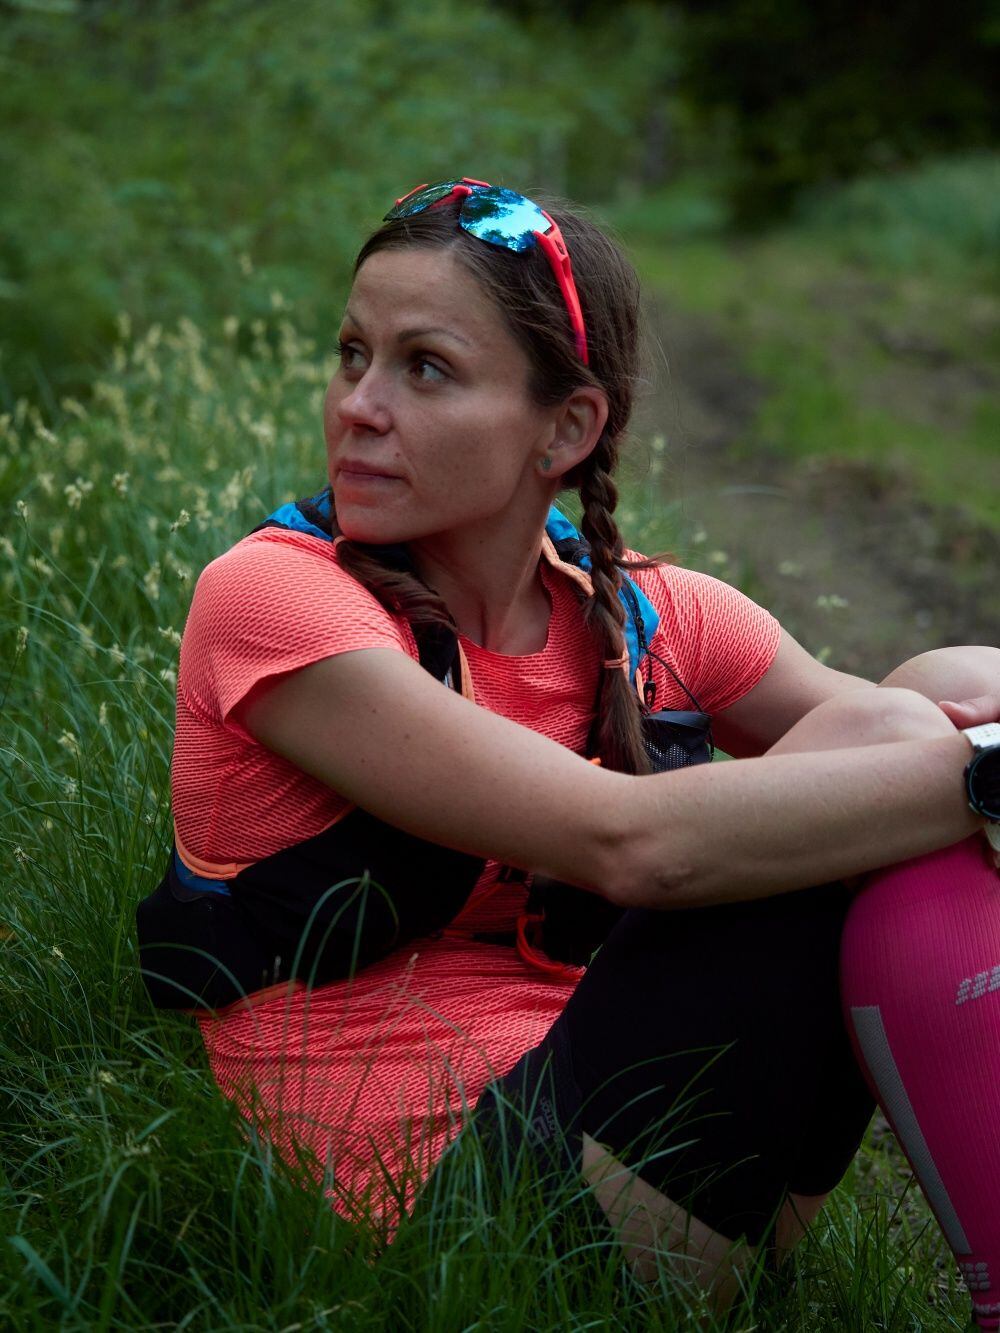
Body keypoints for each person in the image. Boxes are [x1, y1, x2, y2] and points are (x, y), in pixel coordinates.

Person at [136, 178, 1000, 1315]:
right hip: (445, 1226)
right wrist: (982, 775)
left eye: (424, 368)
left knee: (941, 693)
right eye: (353, 355)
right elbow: (631, 844)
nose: (359, 405)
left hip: (630, 1149)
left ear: (567, 429)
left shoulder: (641, 614)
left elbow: (917, 714)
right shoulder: (272, 600)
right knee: (899, 773)